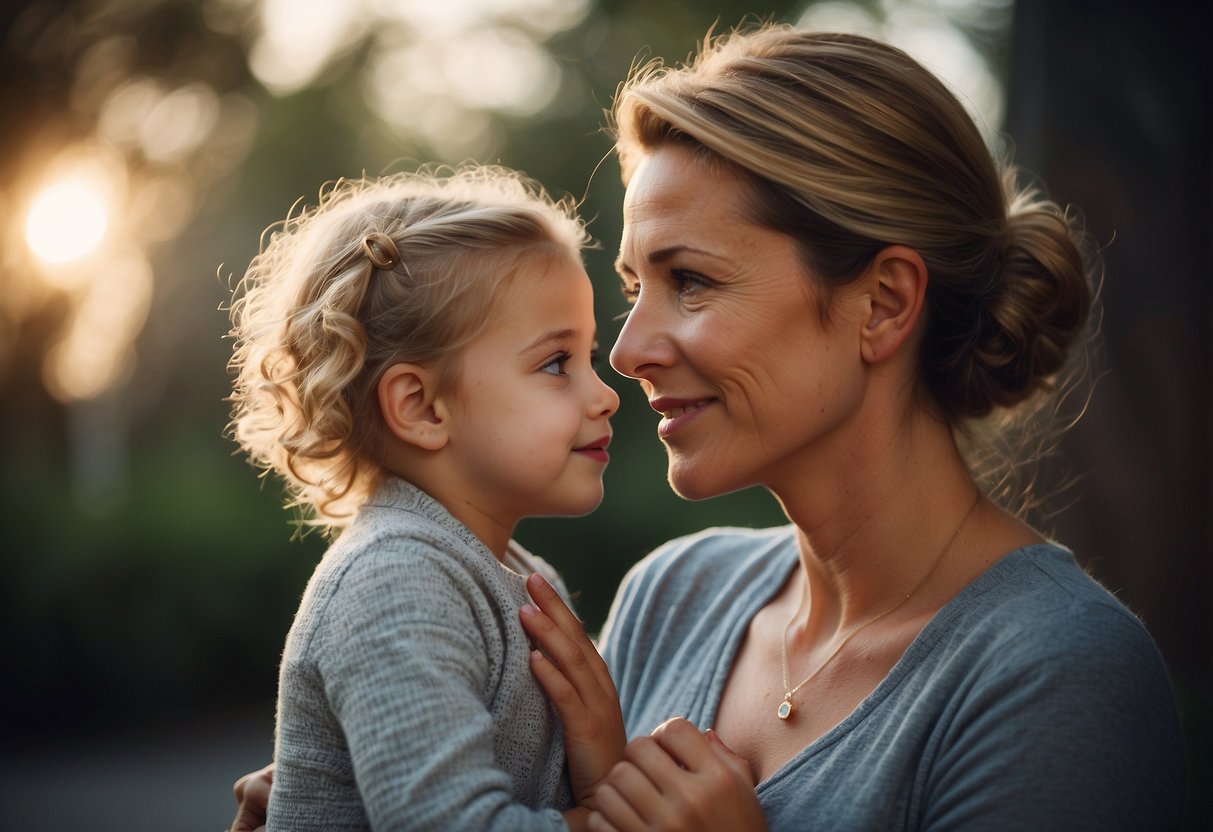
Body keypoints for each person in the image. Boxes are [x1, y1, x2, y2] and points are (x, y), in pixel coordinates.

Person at [233, 23, 1187, 831]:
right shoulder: (670, 598)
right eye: (633, 289)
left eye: (689, 280)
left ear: (882, 304)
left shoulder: (1056, 676)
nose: (629, 349)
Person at [225, 165, 626, 831]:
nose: (606, 393)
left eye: (589, 356)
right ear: (420, 407)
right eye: (557, 363)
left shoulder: (515, 577)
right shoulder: (392, 580)